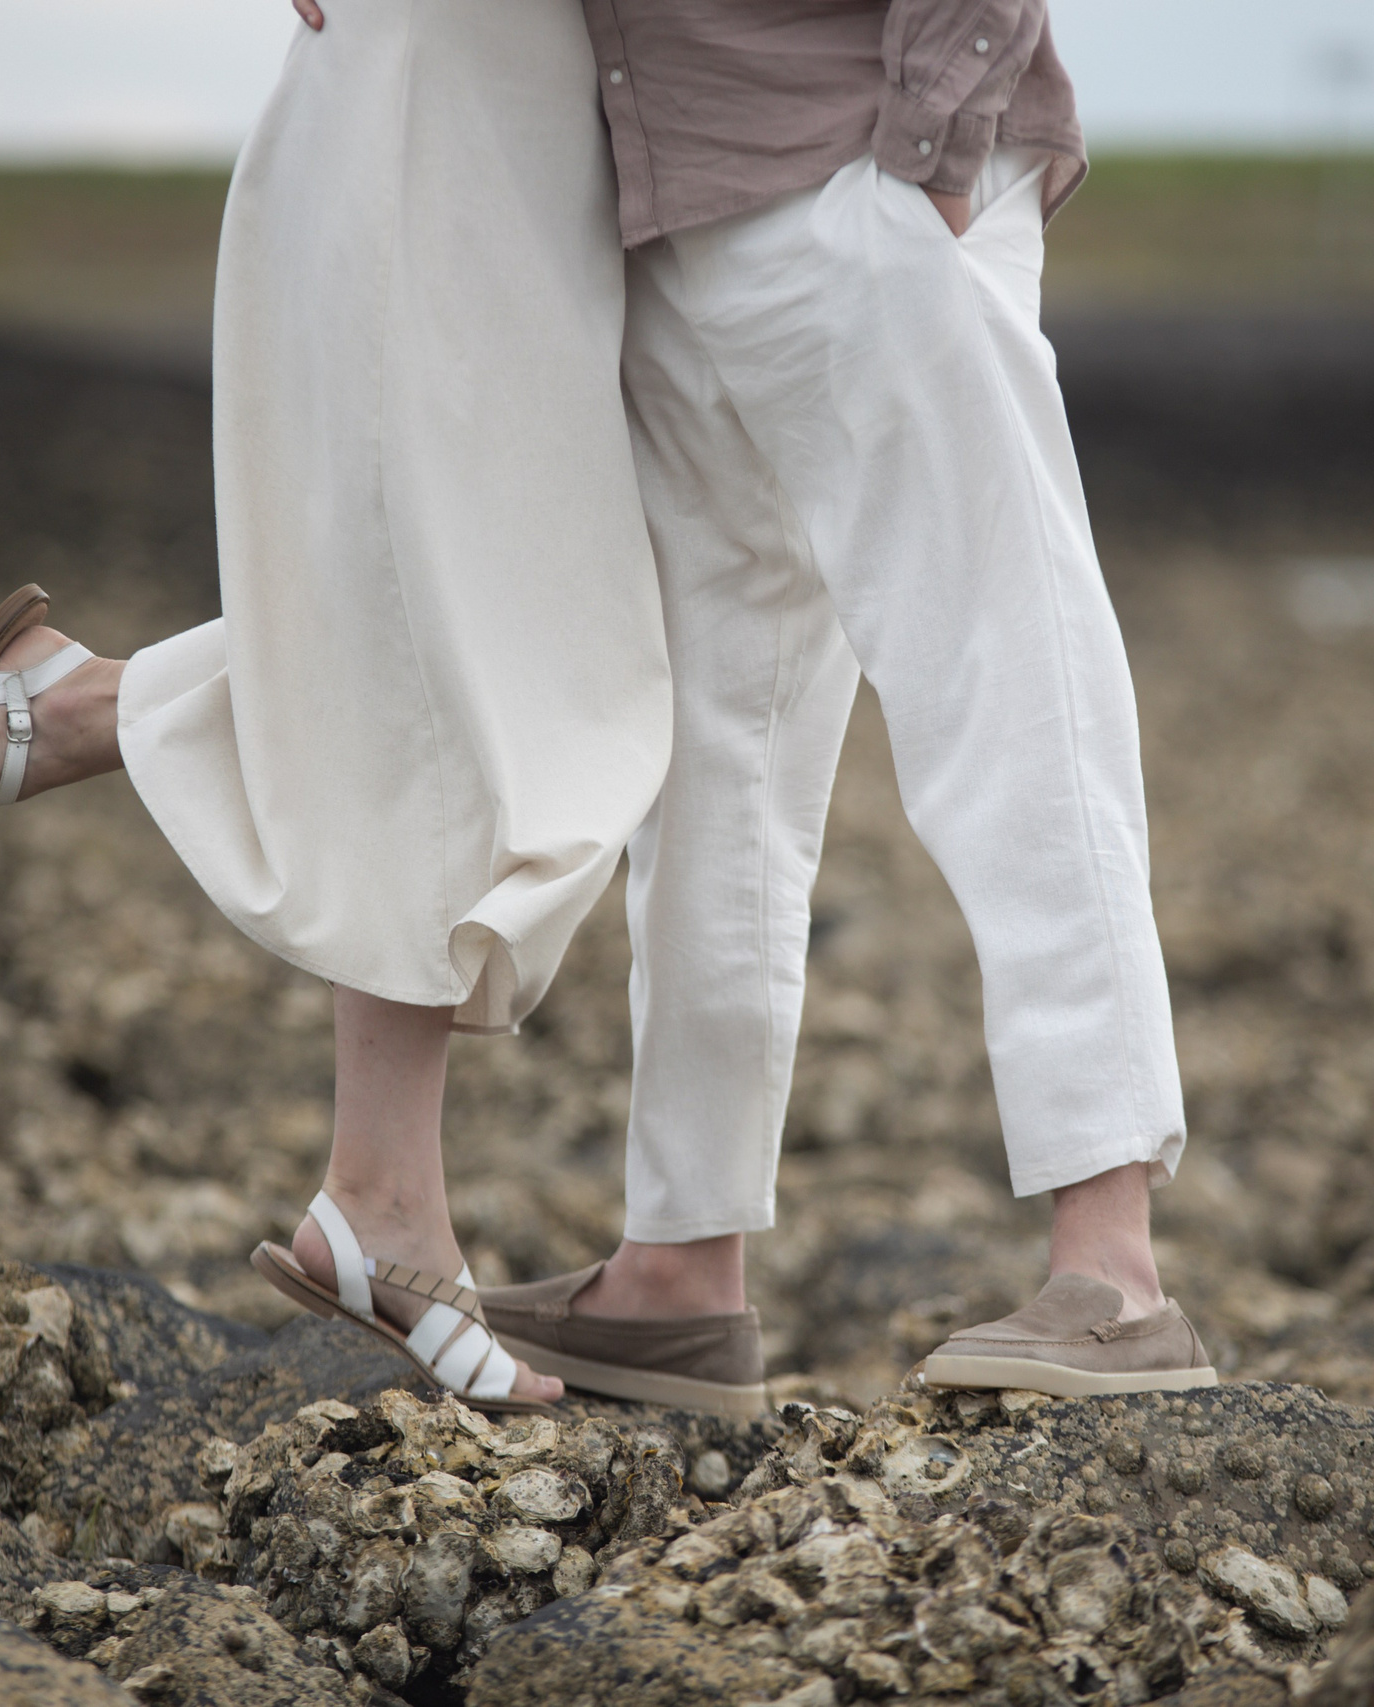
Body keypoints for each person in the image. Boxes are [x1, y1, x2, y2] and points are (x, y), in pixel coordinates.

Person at [0, 0, 676, 1410]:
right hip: (444, 91)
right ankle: (384, 1200)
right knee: (462, 627)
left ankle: (85, 710)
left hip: (540, 107)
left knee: (509, 618)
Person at [472, 0, 1216, 1408]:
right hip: (671, 211)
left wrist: (929, 148)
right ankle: (680, 1266)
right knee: (708, 760)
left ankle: (1115, 1267)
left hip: (858, 165)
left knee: (1006, 676)